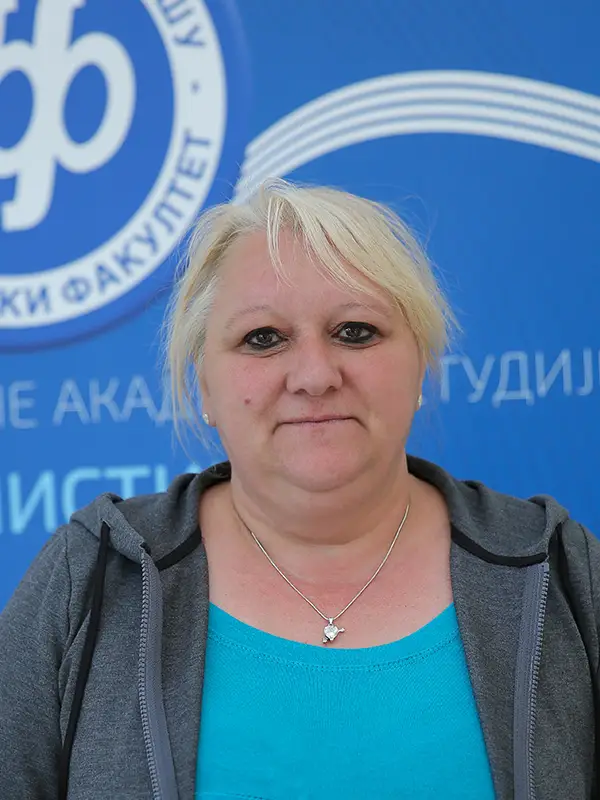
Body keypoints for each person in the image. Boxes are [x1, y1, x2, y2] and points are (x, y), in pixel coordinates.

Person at [0, 179, 598, 800]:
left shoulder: (559, 569)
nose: (314, 375)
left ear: (420, 364)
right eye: (263, 338)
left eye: (356, 331)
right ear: (205, 387)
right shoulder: (92, 574)